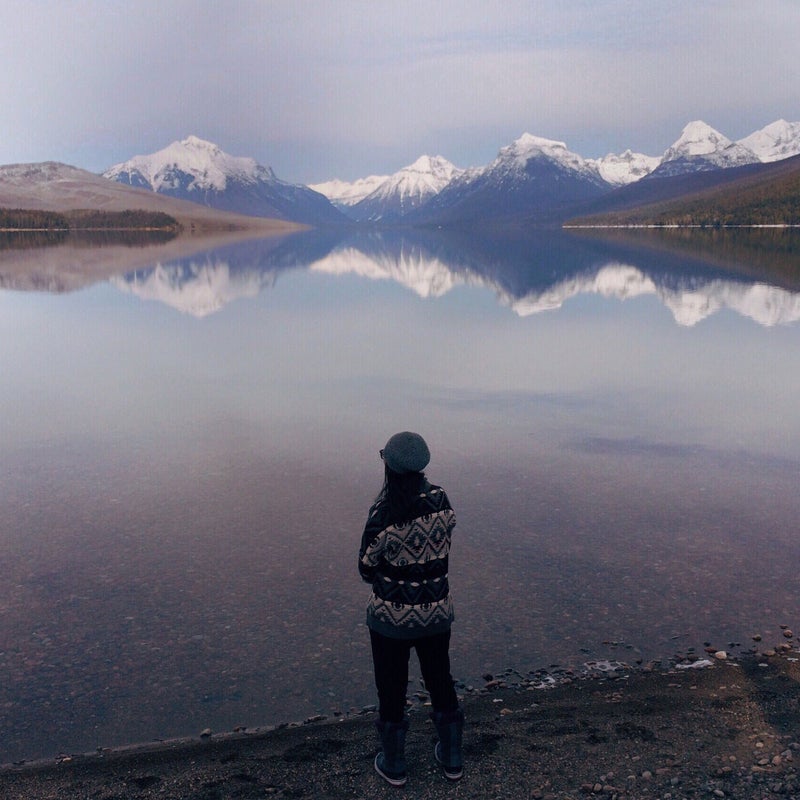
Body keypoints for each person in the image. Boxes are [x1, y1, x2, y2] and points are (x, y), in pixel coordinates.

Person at [358, 431, 463, 787]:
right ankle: (451, 757)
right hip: (436, 614)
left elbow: (365, 568)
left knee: (391, 687)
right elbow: (446, 537)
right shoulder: (442, 500)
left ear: (389, 467)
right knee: (439, 680)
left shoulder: (382, 513)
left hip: (391, 621)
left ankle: (395, 764)